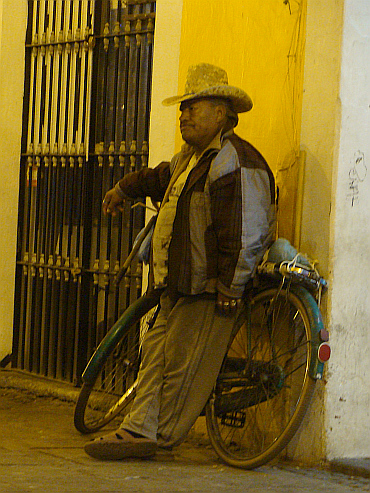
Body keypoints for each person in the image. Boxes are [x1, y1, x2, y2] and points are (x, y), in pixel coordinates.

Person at [84, 63, 276, 460]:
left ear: (220, 112)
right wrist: (123, 188)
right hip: (177, 284)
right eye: (182, 108)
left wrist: (230, 286)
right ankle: (137, 430)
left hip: (209, 289)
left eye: (193, 107)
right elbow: (158, 179)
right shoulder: (192, 158)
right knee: (155, 355)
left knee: (183, 370)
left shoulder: (235, 161)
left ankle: (161, 437)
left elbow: (247, 232)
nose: (183, 115)